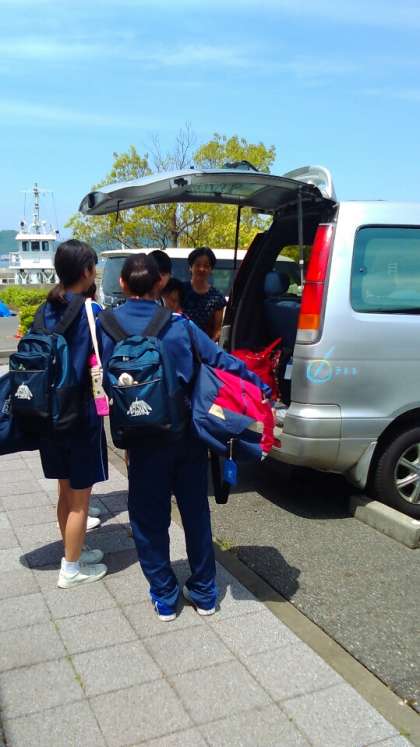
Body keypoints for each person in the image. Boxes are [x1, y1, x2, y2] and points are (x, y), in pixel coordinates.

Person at [99, 253, 270, 621]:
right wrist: (261, 386)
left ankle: (164, 596)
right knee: (194, 513)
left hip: (141, 439)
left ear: (123, 284)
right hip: (187, 436)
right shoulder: (179, 323)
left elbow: (109, 380)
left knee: (148, 519)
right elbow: (220, 360)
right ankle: (205, 593)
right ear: (160, 282)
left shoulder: (107, 324)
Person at [38, 239, 108, 589]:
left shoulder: (44, 309)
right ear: (86, 271)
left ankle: (73, 549)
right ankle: (71, 569)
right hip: (80, 415)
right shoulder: (91, 312)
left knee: (65, 491)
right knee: (81, 499)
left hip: (47, 414)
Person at [182, 247, 226, 342]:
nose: (202, 269)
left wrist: (207, 347)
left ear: (211, 269)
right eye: (197, 265)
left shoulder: (217, 298)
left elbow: (217, 331)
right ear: (190, 267)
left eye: (206, 266)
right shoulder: (180, 290)